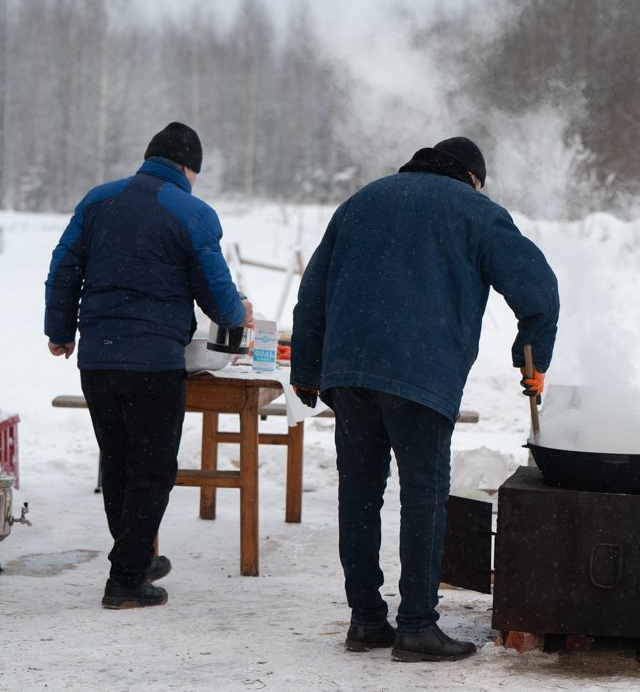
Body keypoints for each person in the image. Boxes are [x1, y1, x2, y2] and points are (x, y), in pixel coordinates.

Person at [289, 137, 559, 662]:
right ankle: (416, 626)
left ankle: (366, 620)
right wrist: (532, 356)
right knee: (422, 496)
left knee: (360, 495)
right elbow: (538, 287)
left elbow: (313, 290)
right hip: (420, 372)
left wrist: (307, 370)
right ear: (472, 177)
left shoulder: (361, 200)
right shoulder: (475, 209)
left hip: (349, 371)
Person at [44, 122, 253, 609]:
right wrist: (237, 311)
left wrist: (60, 332)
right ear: (187, 168)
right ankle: (126, 580)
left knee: (117, 461)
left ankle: (132, 555)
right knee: (153, 469)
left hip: (97, 359)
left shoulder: (98, 200)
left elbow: (63, 267)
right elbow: (217, 297)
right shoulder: (192, 212)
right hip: (153, 364)